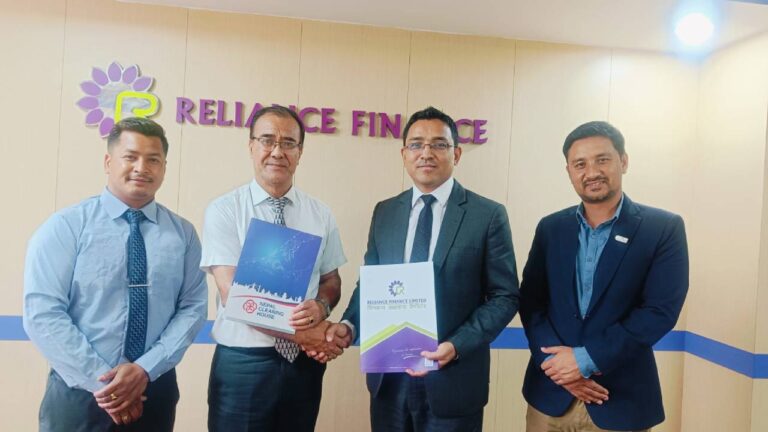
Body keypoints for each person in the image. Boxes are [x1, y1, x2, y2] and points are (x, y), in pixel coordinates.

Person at [324, 106, 519, 431]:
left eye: (439, 144)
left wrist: (456, 345)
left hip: (453, 380)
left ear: (456, 153)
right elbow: (370, 283)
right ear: (404, 154)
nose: (426, 153)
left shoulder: (486, 215)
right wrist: (350, 324)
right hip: (389, 381)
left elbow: (505, 296)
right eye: (416, 144)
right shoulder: (385, 212)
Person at [23, 117, 208, 431]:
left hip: (154, 389)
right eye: (130, 157)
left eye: (153, 160)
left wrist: (144, 369)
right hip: (81, 392)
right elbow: (43, 312)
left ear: (164, 168)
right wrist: (107, 384)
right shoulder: (66, 227)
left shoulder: (183, 234)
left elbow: (193, 307)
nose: (141, 168)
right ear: (108, 162)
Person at [519, 121, 689, 431]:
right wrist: (557, 367)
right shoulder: (551, 228)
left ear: (623, 161)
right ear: (569, 171)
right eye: (580, 164)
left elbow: (659, 311)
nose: (592, 172)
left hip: (621, 399)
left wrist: (584, 360)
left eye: (602, 160)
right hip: (550, 396)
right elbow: (532, 303)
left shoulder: (662, 228)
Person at [201, 105, 347, 432]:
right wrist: (307, 335)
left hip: (303, 365)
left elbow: (332, 279)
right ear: (251, 146)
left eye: (288, 143)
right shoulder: (225, 210)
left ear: (300, 152)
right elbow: (233, 294)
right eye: (267, 140)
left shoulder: (320, 214)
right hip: (245, 363)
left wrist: (321, 306)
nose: (277, 152)